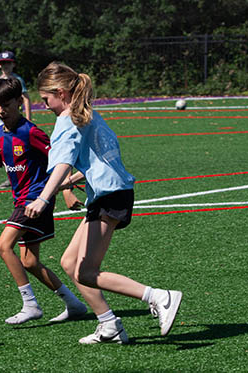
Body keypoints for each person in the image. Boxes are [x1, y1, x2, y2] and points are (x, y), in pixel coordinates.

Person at [25, 62, 183, 344]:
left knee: (86, 271)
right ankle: (109, 324)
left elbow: (62, 162)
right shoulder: (87, 114)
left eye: (46, 100)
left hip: (110, 195)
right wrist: (71, 181)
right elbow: (98, 159)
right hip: (112, 192)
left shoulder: (67, 120)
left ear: (60, 93)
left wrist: (43, 197)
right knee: (70, 262)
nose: (44, 106)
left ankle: (159, 297)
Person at [0, 76, 87, 325]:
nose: (1, 111)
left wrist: (65, 190)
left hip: (36, 199)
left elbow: (62, 159)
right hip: (22, 201)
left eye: (6, 105)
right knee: (29, 261)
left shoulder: (31, 133)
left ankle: (30, 304)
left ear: (18, 103)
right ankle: (73, 304)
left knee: (3, 246)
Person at [0, 51, 32, 189]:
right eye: (3, 63)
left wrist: (28, 117)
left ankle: (21, 174)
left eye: (8, 63)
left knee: (17, 147)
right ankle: (11, 176)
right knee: (3, 148)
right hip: (0, 120)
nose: (6, 66)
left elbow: (26, 99)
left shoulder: (17, 80)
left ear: (13, 64)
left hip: (13, 117)